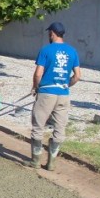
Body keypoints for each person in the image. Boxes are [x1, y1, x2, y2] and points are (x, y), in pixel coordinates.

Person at [29, 22, 81, 171]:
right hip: (63, 94)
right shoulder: (72, 51)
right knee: (59, 128)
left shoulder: (46, 50)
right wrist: (66, 85)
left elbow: (38, 73)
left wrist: (36, 87)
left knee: (38, 126)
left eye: (49, 33)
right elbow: (77, 76)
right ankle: (51, 163)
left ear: (52, 33)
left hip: (46, 93)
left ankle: (36, 161)